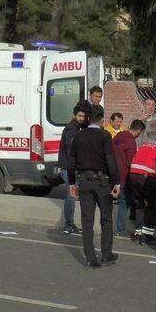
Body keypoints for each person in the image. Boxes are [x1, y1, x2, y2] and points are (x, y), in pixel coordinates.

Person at [67, 108, 120, 268]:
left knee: (87, 221)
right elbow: (110, 160)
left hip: (84, 181)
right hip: (102, 181)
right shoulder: (105, 136)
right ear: (101, 120)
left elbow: (71, 162)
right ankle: (106, 255)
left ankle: (90, 258)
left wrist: (71, 183)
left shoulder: (78, 136)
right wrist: (116, 182)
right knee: (106, 219)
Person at [113, 119, 145, 235]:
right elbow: (130, 163)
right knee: (124, 202)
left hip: (113, 174)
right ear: (139, 131)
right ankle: (120, 229)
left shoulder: (118, 136)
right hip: (124, 177)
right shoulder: (131, 142)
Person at [57, 104, 85, 234]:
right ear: (74, 116)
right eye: (79, 116)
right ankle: (68, 225)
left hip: (70, 168)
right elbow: (70, 150)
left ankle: (70, 223)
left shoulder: (76, 128)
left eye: (83, 116)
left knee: (72, 197)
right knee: (71, 198)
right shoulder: (71, 129)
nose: (81, 118)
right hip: (69, 169)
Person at [129, 140, 156, 244]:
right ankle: (146, 236)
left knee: (139, 205)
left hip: (133, 174)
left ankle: (138, 234)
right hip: (147, 176)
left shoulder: (143, 145)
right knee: (151, 206)